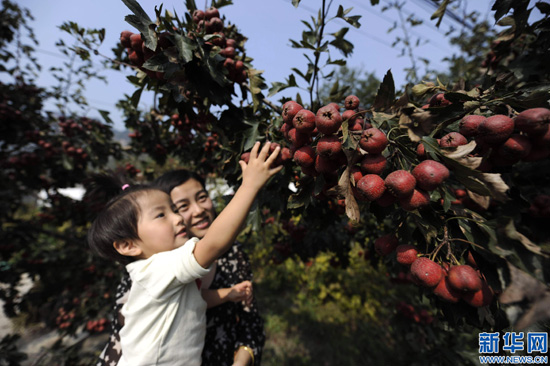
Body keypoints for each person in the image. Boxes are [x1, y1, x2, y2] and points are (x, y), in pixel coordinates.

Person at [88, 142, 280, 366]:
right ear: (128, 245)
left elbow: (194, 300)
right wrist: (249, 186)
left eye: (173, 210)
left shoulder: (165, 276)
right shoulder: (159, 267)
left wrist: (227, 294)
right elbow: (215, 244)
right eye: (161, 215)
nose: (177, 218)